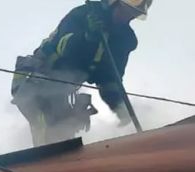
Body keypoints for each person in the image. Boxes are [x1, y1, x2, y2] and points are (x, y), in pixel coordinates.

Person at [11, 0, 151, 146]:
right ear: (113, 4)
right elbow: (62, 48)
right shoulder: (83, 15)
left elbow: (109, 79)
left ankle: (62, 163)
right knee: (46, 123)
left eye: (132, 15)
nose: (126, 17)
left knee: (65, 132)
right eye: (124, 11)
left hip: (63, 91)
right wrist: (88, 36)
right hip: (35, 80)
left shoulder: (124, 39)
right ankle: (41, 161)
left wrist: (119, 106)